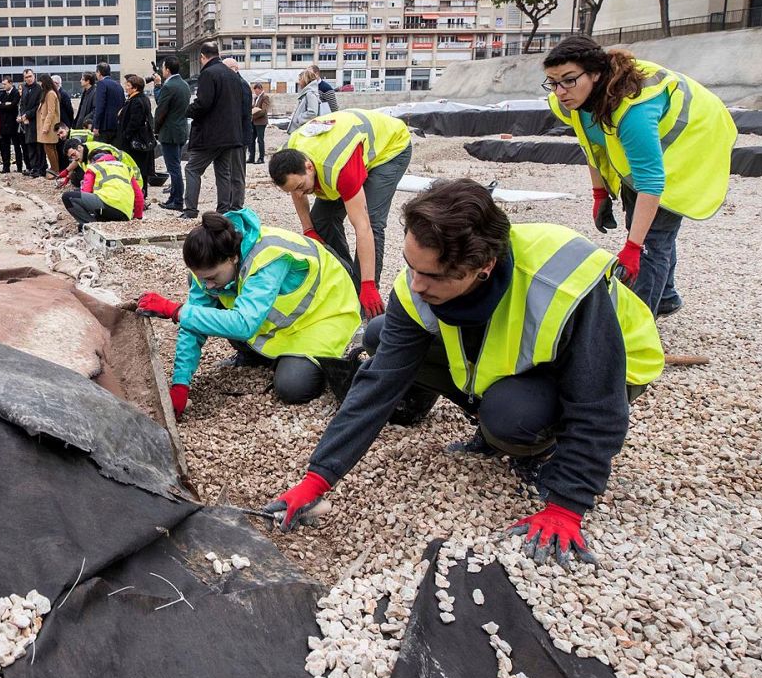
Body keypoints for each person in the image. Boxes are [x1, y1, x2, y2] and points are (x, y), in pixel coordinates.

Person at [262, 179, 665, 566]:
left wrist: (567, 505)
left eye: (431, 275)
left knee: (510, 416)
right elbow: (378, 383)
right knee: (381, 334)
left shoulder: (559, 283)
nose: (415, 285)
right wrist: (318, 478)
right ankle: (492, 412)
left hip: (616, 366)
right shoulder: (421, 284)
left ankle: (540, 445)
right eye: (411, 266)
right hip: (524, 355)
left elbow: (598, 400)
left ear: (482, 266)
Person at [543, 35, 737, 318]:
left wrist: (634, 247)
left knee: (652, 237)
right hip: (650, 147)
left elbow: (651, 181)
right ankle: (666, 297)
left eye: (569, 80)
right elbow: (592, 144)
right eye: (553, 82)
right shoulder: (572, 101)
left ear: (595, 74)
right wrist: (599, 193)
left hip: (695, 138)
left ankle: (638, 326)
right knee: (645, 224)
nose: (560, 91)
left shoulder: (633, 111)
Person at [136, 208, 361, 416]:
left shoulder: (269, 257)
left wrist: (175, 310)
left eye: (212, 277)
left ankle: (303, 361)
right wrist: (180, 384)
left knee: (292, 387)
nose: (208, 285)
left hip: (323, 314)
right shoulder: (208, 268)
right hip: (280, 323)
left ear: (233, 258)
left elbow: (243, 324)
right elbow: (193, 324)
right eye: (203, 279)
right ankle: (257, 355)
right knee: (207, 313)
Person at [268, 106, 414, 315]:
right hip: (346, 149)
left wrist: (368, 284)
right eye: (293, 190)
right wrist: (309, 229)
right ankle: (347, 280)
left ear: (309, 167)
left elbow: (363, 226)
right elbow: (296, 190)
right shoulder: (290, 156)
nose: (300, 194)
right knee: (321, 220)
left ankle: (365, 299)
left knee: (372, 220)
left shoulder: (339, 168)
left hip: (390, 148)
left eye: (300, 186)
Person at [180, 42, 245, 219]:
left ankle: (190, 210)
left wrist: (188, 110)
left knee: (192, 169)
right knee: (223, 172)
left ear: (202, 56)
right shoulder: (232, 75)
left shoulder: (208, 73)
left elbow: (204, 103)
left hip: (210, 135)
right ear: (218, 54)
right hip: (231, 134)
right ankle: (223, 209)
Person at [60, 142, 143, 229]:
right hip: (125, 213)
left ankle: (90, 225)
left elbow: (86, 192)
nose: (74, 158)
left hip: (107, 206)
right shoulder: (125, 168)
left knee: (68, 197)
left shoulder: (94, 167)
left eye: (73, 155)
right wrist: (137, 218)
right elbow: (139, 196)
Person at [154, 56, 190, 211]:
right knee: (176, 166)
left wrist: (157, 87)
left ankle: (177, 201)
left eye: (163, 68)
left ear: (167, 69)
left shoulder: (168, 86)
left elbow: (161, 108)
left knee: (173, 168)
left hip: (170, 132)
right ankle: (173, 198)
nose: (162, 70)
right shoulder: (184, 84)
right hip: (181, 130)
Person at [116, 73, 156, 198]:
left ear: (135, 88)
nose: (126, 87)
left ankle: (139, 195)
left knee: (138, 168)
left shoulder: (137, 101)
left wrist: (125, 136)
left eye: (128, 85)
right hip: (138, 140)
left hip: (135, 142)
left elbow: (134, 122)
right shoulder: (137, 99)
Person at [222, 57, 253, 199]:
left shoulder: (241, 85)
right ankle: (231, 201)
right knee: (231, 171)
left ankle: (236, 203)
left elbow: (243, 113)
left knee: (237, 173)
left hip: (238, 136)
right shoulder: (235, 84)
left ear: (234, 69)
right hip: (234, 135)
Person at [35, 74, 61, 180]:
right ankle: (55, 169)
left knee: (49, 148)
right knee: (50, 148)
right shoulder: (48, 93)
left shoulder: (50, 94)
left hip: (49, 126)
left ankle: (55, 169)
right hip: (48, 125)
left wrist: (45, 127)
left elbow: (51, 112)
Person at [90, 62, 124, 144]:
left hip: (104, 126)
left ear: (99, 72)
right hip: (116, 125)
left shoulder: (101, 84)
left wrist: (96, 126)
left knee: (102, 150)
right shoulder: (118, 85)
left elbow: (100, 106)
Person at [18, 69, 44, 177]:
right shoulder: (24, 88)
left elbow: (39, 105)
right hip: (27, 122)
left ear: (34, 76)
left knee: (38, 147)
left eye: (30, 76)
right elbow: (22, 104)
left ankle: (40, 168)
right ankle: (33, 167)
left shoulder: (39, 88)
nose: (28, 79)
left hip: (36, 121)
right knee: (30, 146)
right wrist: (23, 115)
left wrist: (27, 115)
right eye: (26, 77)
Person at [0, 75, 22, 174]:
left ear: (10, 83)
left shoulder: (16, 93)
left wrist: (4, 105)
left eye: (5, 84)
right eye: (2, 84)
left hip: (14, 125)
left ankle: (19, 167)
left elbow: (13, 106)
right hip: (4, 125)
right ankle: (6, 167)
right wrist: (6, 105)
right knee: (5, 147)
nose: (3, 86)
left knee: (17, 146)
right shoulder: (2, 94)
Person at [250, 81, 271, 164]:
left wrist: (253, 116)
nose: (255, 92)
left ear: (260, 89)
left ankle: (261, 158)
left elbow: (264, 111)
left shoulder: (265, 97)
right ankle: (251, 157)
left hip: (261, 122)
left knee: (260, 140)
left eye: (256, 91)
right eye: (254, 91)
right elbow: (255, 107)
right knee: (251, 139)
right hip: (254, 122)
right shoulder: (256, 98)